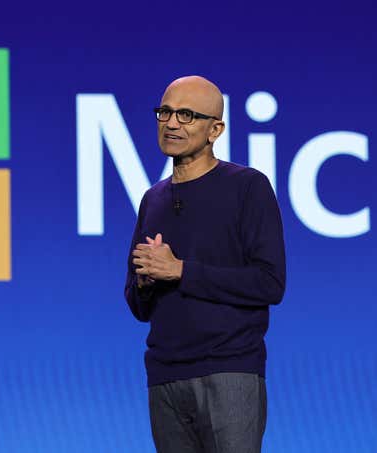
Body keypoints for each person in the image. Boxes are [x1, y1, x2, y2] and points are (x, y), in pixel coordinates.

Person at [125, 75, 286, 453]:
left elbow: (269, 283)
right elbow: (136, 304)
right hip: (165, 376)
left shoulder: (247, 187)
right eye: (165, 112)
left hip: (229, 371)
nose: (172, 123)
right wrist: (145, 284)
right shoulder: (153, 199)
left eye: (186, 115)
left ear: (216, 129)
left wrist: (181, 270)